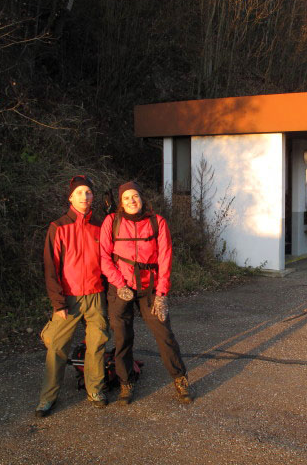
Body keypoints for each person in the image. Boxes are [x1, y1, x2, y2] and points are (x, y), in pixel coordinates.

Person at [100, 181, 193, 405]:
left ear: (142, 198)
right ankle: (126, 383)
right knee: (122, 337)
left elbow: (165, 259)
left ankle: (180, 379)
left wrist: (161, 294)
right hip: (120, 288)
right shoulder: (111, 221)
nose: (132, 201)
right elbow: (103, 257)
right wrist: (119, 284)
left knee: (164, 335)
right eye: (126, 198)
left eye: (135, 196)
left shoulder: (157, 222)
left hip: (150, 287)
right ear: (120, 202)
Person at [36, 175, 109, 417]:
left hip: (96, 295)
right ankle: (47, 398)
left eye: (88, 192)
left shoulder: (101, 225)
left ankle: (95, 390)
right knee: (56, 346)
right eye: (79, 192)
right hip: (69, 297)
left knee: (97, 345)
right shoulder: (58, 227)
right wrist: (57, 303)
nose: (84, 196)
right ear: (70, 197)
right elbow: (51, 268)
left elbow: (108, 260)